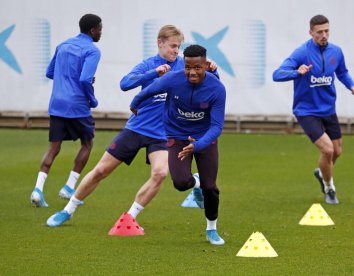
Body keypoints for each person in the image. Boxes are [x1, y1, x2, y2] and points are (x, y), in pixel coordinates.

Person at [46, 26, 217, 230]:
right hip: (137, 128)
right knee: (101, 170)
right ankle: (67, 210)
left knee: (160, 173)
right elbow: (125, 83)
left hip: (164, 133)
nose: (176, 51)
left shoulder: (185, 68)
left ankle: (130, 217)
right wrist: (153, 73)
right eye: (172, 46)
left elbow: (209, 84)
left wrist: (214, 69)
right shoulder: (149, 65)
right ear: (159, 43)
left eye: (178, 47)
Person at [130, 44, 226, 245]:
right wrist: (135, 103)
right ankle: (195, 182)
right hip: (176, 136)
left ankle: (212, 229)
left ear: (206, 66)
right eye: (188, 67)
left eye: (197, 68)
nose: (192, 72)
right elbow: (151, 89)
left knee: (211, 188)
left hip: (205, 139)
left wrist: (198, 145)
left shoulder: (217, 88)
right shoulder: (173, 79)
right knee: (181, 183)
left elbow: (217, 126)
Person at [272, 15, 354, 204]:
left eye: (327, 31)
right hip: (306, 111)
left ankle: (321, 173)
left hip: (328, 109)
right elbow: (277, 74)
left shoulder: (336, 51)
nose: (324, 35)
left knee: (337, 151)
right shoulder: (301, 53)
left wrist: (352, 86)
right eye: (319, 32)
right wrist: (297, 72)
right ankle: (329, 189)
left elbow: (342, 73)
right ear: (310, 32)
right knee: (327, 151)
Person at [30, 14, 102, 208]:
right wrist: (92, 100)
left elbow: (49, 72)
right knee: (87, 143)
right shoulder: (92, 50)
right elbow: (85, 79)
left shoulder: (63, 45)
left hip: (57, 104)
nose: (101, 32)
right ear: (93, 30)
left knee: (54, 148)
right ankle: (69, 187)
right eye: (100, 29)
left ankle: (38, 189)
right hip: (78, 105)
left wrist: (67, 77)